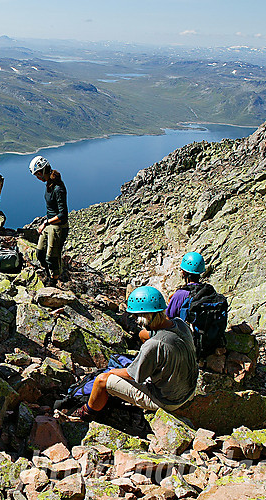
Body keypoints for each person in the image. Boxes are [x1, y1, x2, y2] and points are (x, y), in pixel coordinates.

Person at [70, 286, 198, 421]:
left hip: (167, 400)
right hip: (188, 390)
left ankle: (86, 413)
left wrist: (111, 372)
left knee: (102, 380)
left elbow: (132, 375)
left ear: (145, 317)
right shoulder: (180, 324)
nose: (136, 320)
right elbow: (155, 336)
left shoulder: (153, 345)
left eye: (136, 316)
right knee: (144, 339)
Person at [29, 155, 69, 286]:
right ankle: (49, 274)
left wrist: (46, 222)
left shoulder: (58, 188)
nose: (37, 178)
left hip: (58, 227)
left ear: (42, 172)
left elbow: (63, 215)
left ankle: (54, 280)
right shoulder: (49, 184)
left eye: (37, 175)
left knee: (52, 256)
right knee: (40, 253)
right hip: (49, 224)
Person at [166, 252, 206, 319]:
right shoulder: (208, 290)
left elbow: (168, 317)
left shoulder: (180, 294)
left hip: (188, 329)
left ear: (184, 273)